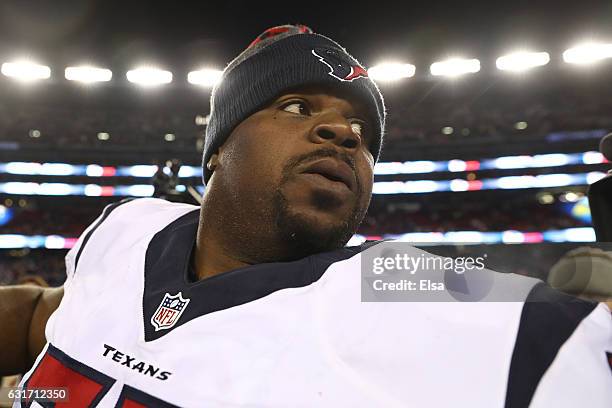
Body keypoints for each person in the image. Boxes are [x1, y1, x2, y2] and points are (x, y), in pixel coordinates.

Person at [0, 25, 610, 407]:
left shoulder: (385, 281)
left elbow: (548, 326)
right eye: (294, 105)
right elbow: (48, 315)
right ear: (216, 149)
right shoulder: (129, 226)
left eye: (364, 134)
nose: (343, 133)